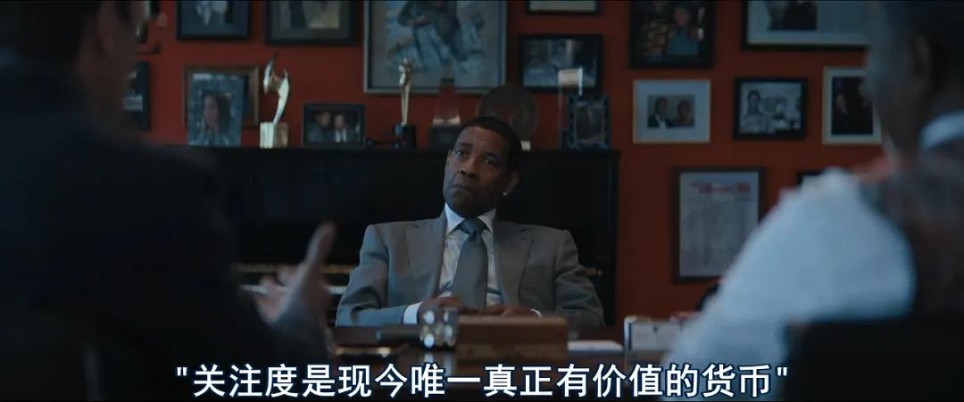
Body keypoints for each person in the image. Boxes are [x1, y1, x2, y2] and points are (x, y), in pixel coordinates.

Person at [0, 1, 333, 398]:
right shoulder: (147, 187)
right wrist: (300, 314)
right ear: (104, 27)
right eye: (139, 31)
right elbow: (262, 381)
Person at [663, 1, 964, 399]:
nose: (865, 84)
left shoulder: (836, 221)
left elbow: (688, 384)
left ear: (916, 60)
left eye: (873, 51)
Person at [336, 116, 604, 328]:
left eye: (489, 161)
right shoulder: (387, 239)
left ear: (509, 182)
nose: (469, 169)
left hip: (515, 364)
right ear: (447, 162)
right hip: (420, 365)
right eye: (462, 154)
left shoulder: (553, 245)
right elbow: (349, 317)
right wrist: (417, 314)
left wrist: (533, 321)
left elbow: (590, 318)